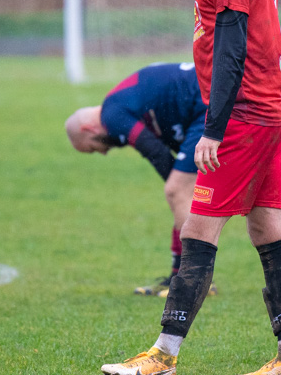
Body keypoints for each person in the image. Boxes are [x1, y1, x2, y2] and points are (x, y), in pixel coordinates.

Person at [101, 0, 281, 375]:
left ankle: (162, 358)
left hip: (245, 113)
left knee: (198, 228)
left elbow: (233, 45)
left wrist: (213, 128)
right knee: (266, 226)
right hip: (270, 107)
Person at [65, 62, 217, 298]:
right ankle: (181, 275)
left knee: (177, 191)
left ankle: (195, 280)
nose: (103, 152)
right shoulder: (118, 105)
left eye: (93, 148)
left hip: (205, 103)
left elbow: (155, 151)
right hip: (206, 98)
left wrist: (180, 187)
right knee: (179, 193)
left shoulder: (111, 114)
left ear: (88, 129)